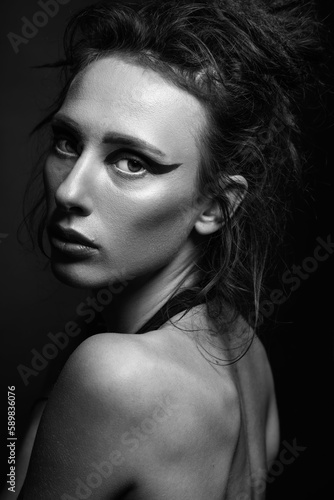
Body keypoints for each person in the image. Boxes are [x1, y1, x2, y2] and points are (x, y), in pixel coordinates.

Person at [12, 0, 326, 498]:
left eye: (131, 162)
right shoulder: (245, 352)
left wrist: (19, 432)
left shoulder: (116, 374)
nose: (70, 191)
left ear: (215, 206)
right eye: (69, 142)